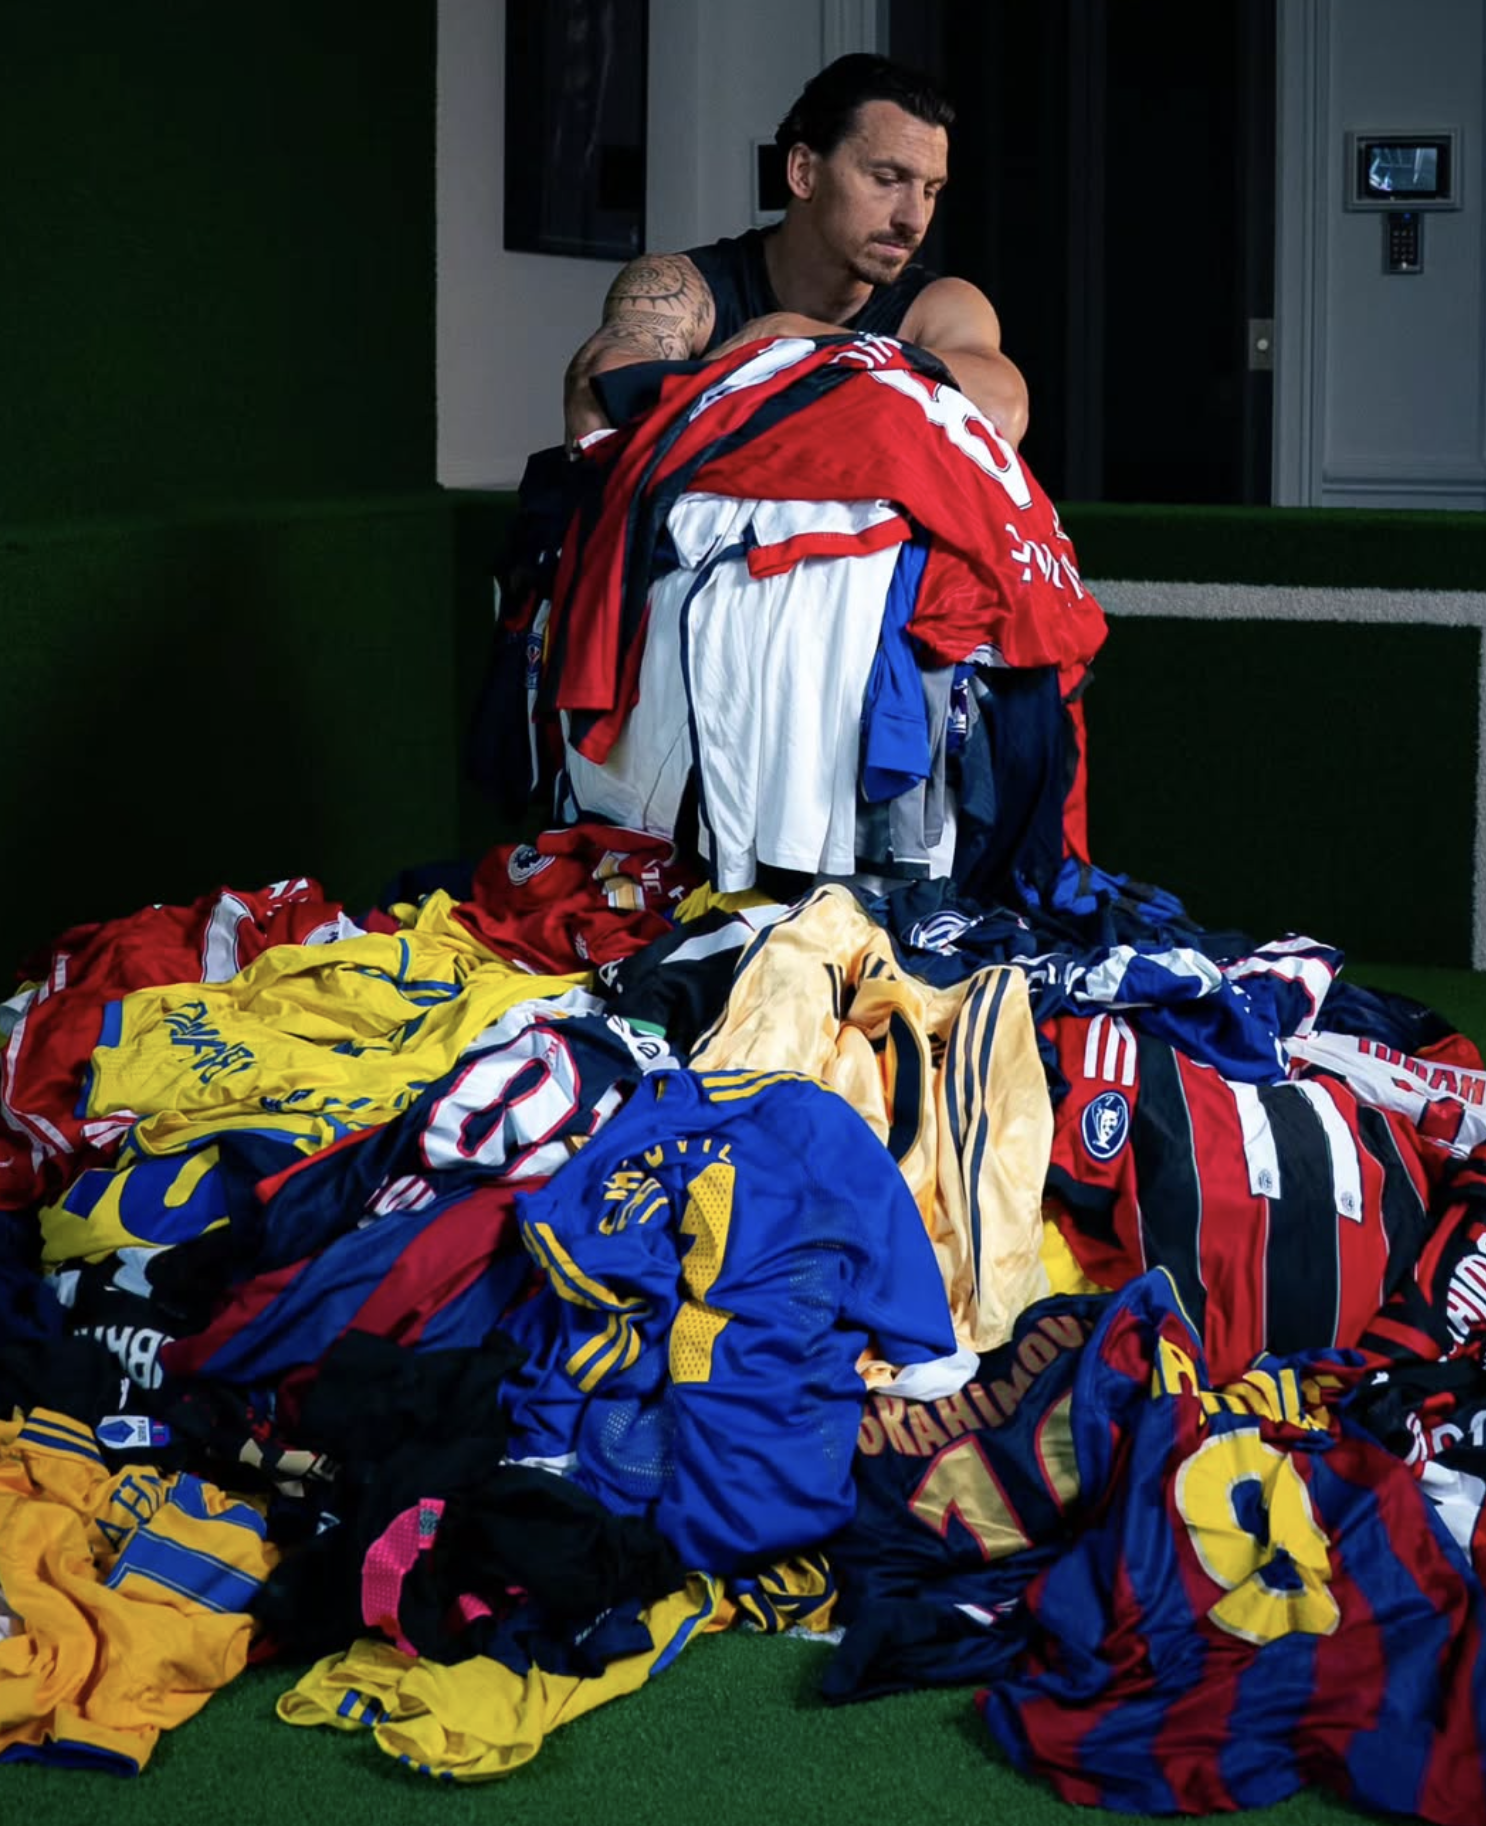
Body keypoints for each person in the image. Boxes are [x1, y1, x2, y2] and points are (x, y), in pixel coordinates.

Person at [561, 52, 1030, 453]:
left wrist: (808, 343)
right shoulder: (682, 286)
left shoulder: (940, 306)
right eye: (888, 180)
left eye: (930, 191)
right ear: (804, 172)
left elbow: (999, 411)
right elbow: (598, 397)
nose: (914, 218)